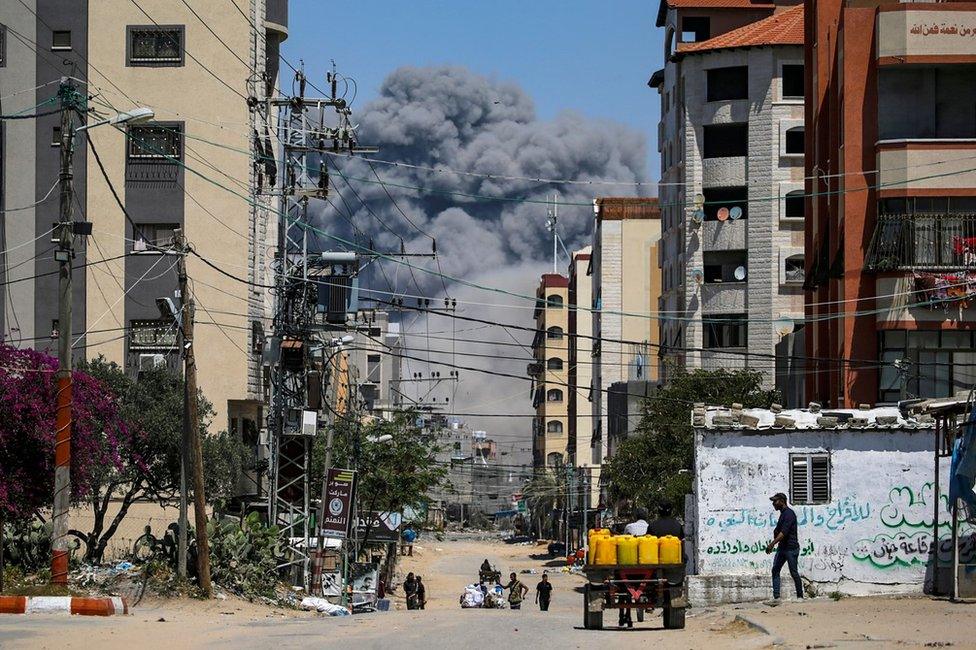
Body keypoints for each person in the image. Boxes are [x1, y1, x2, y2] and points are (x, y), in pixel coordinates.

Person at [765, 492, 804, 601]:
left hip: (791, 548)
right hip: (782, 548)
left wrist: (772, 544)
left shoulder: (789, 514)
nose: (773, 504)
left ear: (782, 501)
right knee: (775, 570)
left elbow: (783, 533)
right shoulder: (783, 514)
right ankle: (776, 597)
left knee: (794, 572)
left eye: (775, 501)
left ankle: (800, 596)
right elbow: (779, 531)